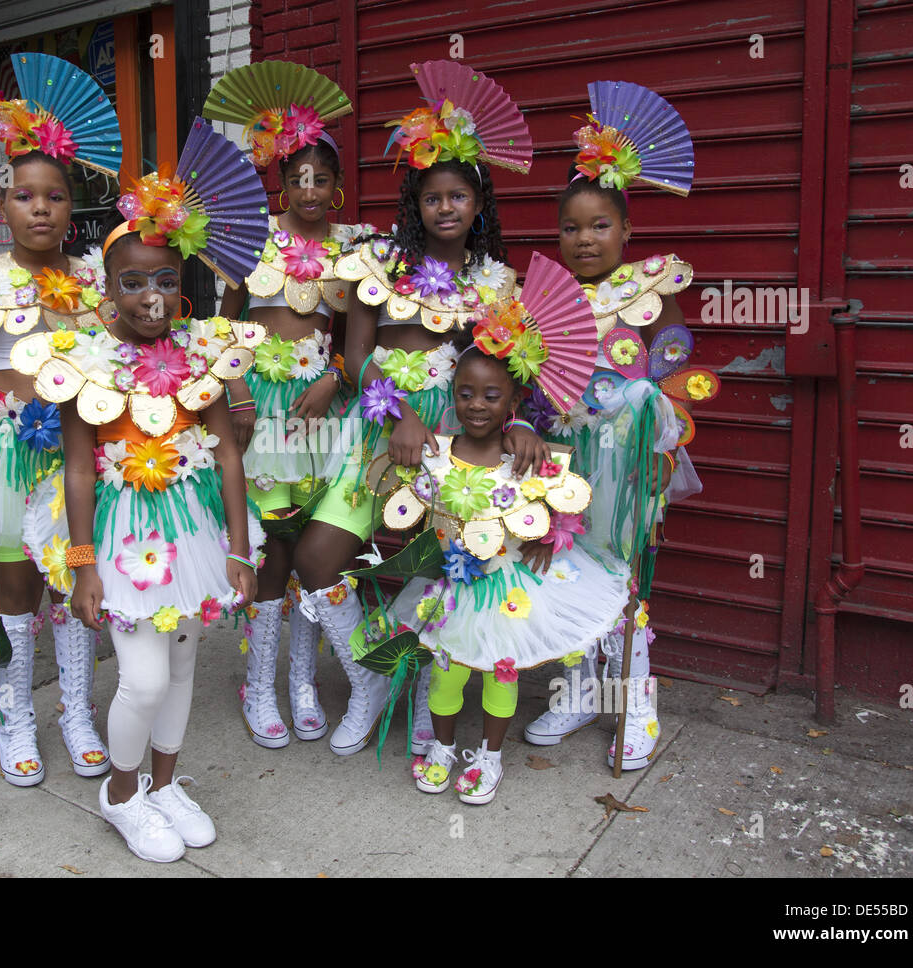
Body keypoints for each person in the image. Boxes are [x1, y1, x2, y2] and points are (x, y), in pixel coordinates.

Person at [20, 128, 267, 862]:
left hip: (192, 533)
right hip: (121, 537)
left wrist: (239, 549)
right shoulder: (84, 364)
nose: (150, 296)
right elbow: (77, 470)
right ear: (108, 288)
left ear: (181, 285)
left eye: (163, 280)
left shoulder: (201, 355)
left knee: (182, 666)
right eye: (132, 282)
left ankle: (163, 785)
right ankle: (122, 793)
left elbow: (227, 455)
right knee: (145, 678)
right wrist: (82, 565)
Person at [293, 63, 550, 757]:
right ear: (415, 203)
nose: (445, 208)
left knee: (446, 565)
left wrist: (521, 424)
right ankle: (370, 678)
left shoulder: (498, 284)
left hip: (462, 437)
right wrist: (400, 413)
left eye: (458, 195)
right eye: (432, 196)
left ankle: (427, 682)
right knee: (317, 556)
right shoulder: (377, 263)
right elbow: (356, 356)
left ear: (478, 203)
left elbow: (514, 372)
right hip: (383, 426)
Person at [523, 87, 717, 771]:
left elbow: (674, 374)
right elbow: (529, 380)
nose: (584, 239)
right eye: (571, 228)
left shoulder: (648, 291)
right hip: (565, 455)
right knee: (567, 570)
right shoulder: (545, 299)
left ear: (626, 230)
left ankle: (637, 705)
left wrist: (649, 423)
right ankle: (581, 690)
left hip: (627, 460)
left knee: (622, 575)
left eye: (599, 225)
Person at [389, 315, 627, 803]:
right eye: (465, 394)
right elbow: (417, 512)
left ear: (512, 402)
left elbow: (562, 506)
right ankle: (442, 749)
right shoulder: (437, 452)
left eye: (491, 396)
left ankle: (490, 757)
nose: (476, 405)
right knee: (446, 673)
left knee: (502, 671)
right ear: (453, 394)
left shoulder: (522, 457)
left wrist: (548, 537)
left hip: (508, 588)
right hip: (452, 588)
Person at [0, 142, 112, 789]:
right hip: (7, 459)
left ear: (72, 208)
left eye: (55, 196)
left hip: (79, 461)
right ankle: (14, 720)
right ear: (2, 206)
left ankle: (76, 715)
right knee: (15, 593)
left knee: (76, 588)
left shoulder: (97, 282)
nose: (41, 208)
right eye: (24, 195)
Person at [208, 62, 369, 748]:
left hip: (319, 412)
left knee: (309, 547)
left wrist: (335, 376)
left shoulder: (354, 251)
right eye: (297, 178)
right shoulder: (253, 237)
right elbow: (223, 324)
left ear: (337, 187)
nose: (308, 190)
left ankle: (304, 682)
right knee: (271, 548)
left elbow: (357, 341)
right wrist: (238, 391)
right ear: (281, 183)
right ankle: (260, 685)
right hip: (260, 407)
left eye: (320, 179)